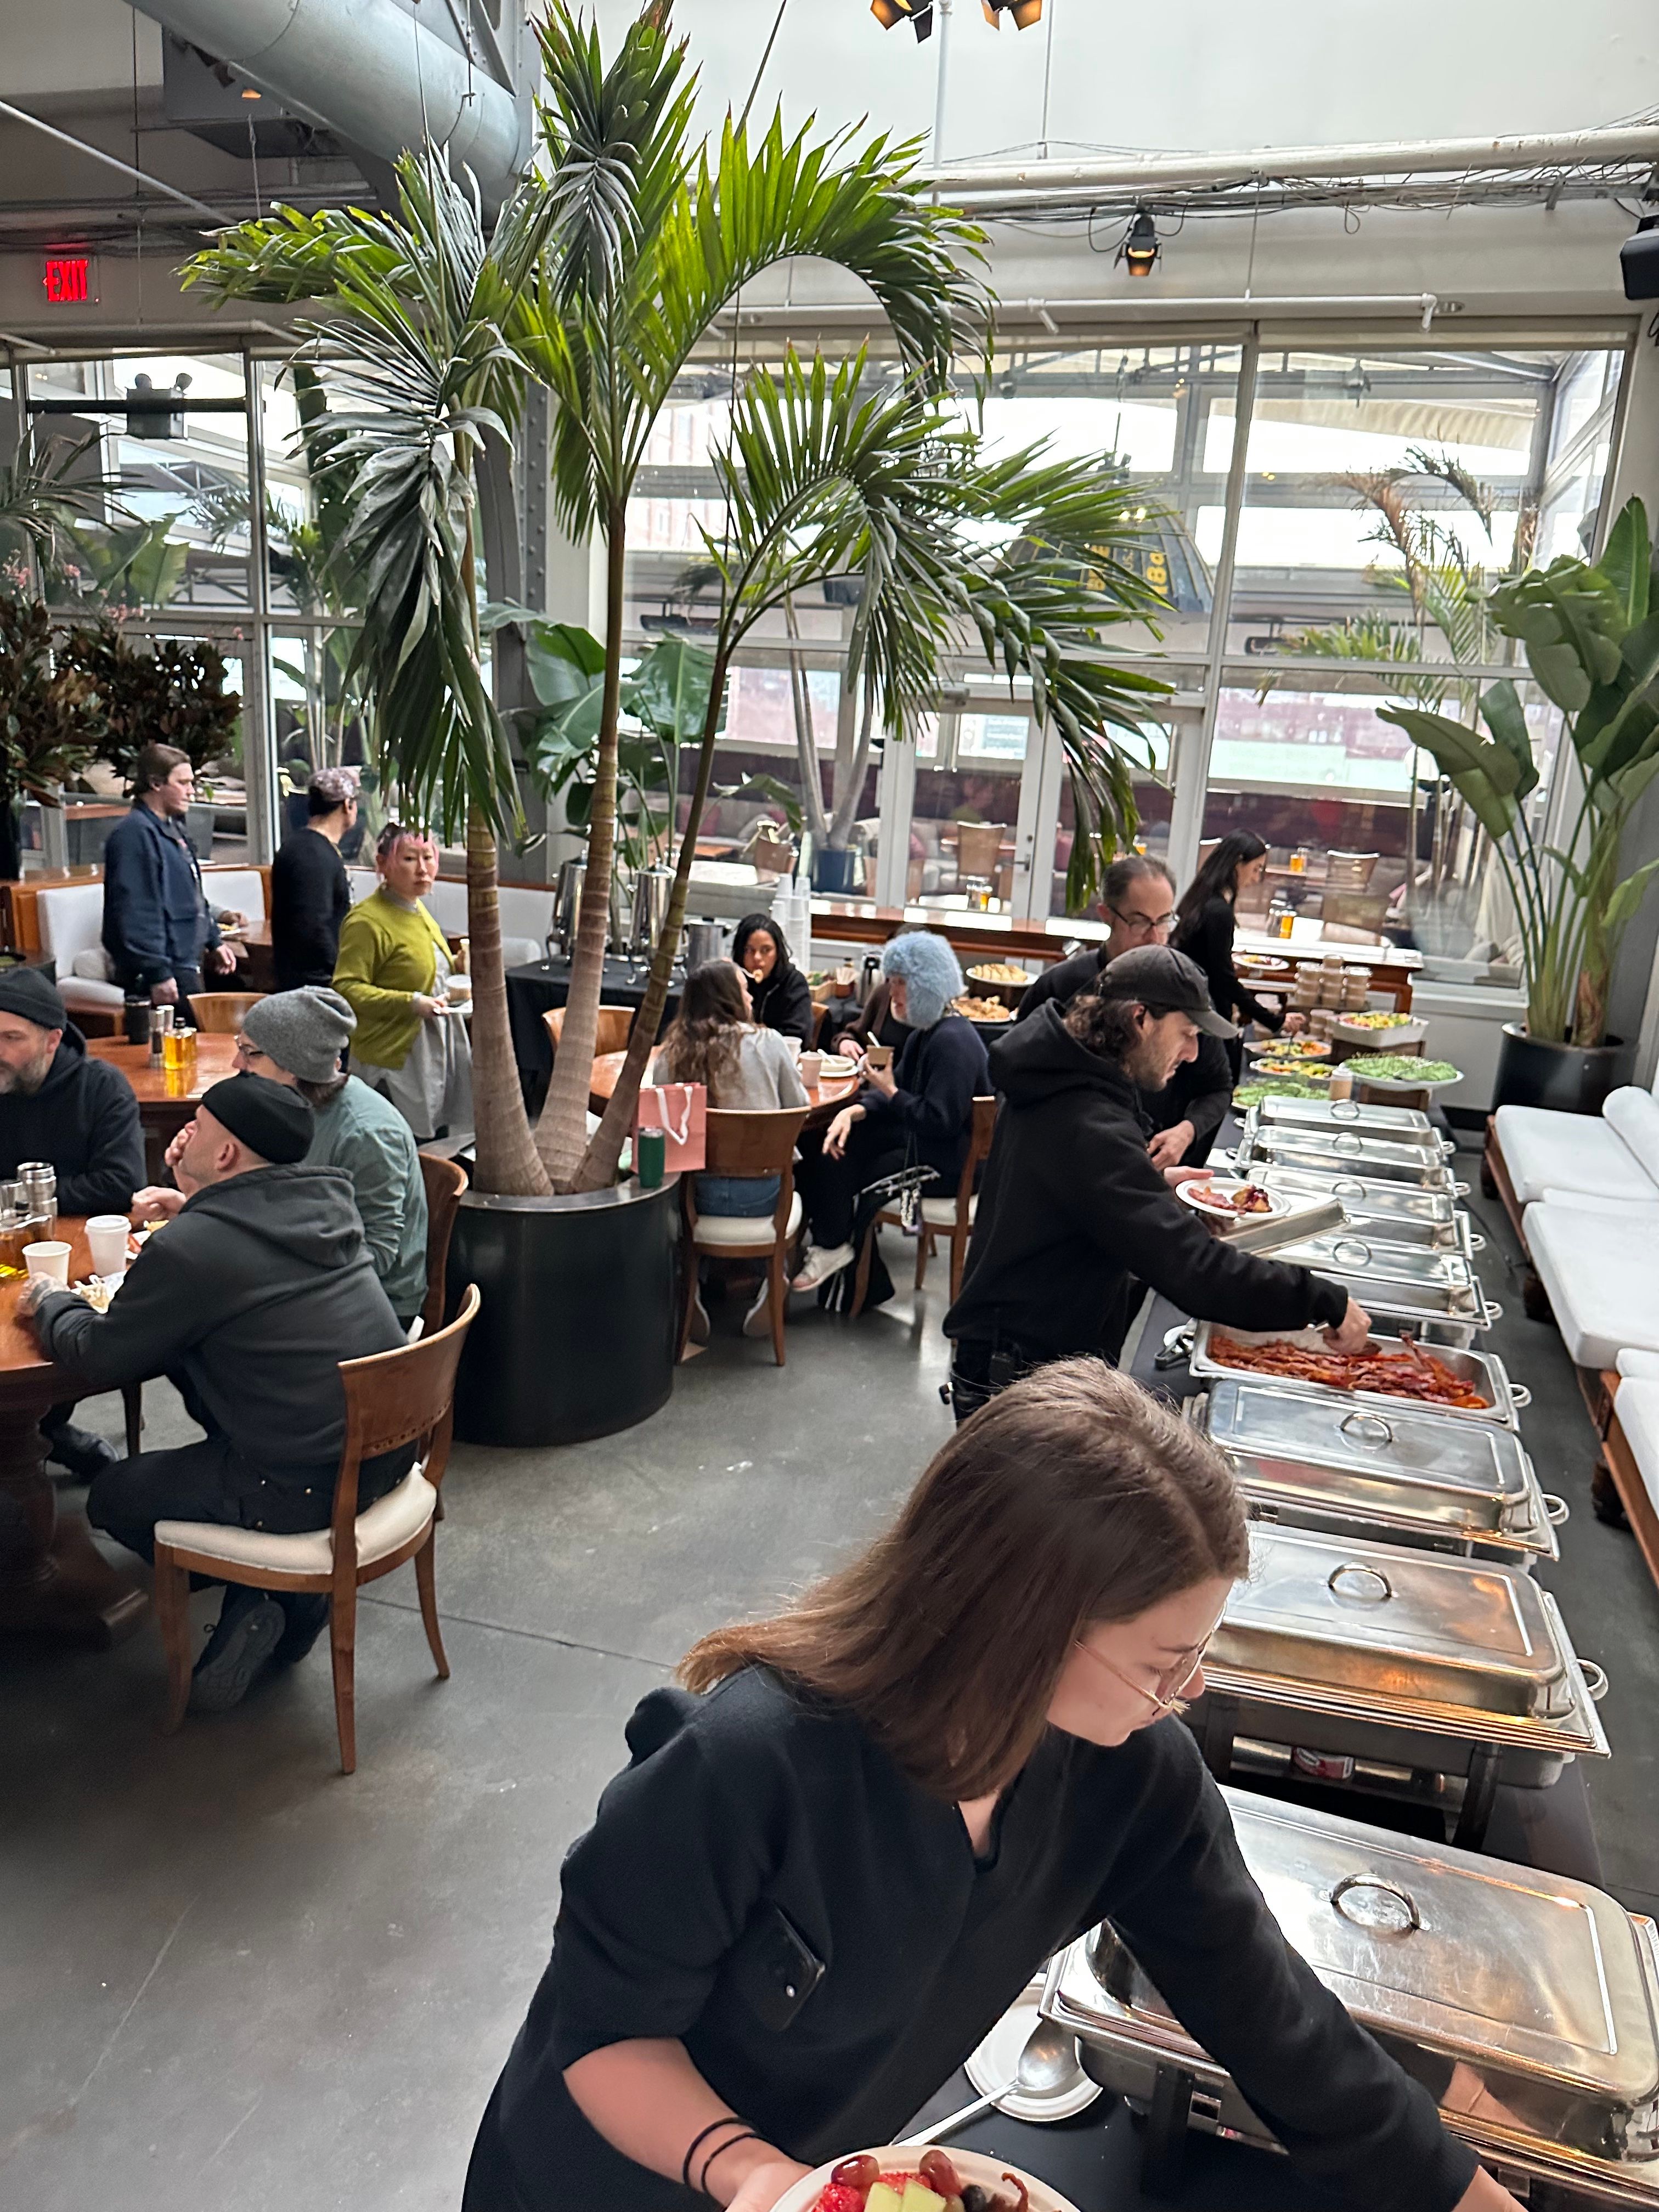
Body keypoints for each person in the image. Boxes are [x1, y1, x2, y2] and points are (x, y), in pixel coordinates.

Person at [462, 1359, 1522, 2212]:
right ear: (1027, 1627)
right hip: (601, 2175)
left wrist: (1461, 2193)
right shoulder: (752, 1761)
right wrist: (755, 2174)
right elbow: (600, 2036)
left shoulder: (1131, 1781)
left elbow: (1277, 2024)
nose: (1187, 1694)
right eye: (1163, 1663)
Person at [24, 1074, 414, 1714]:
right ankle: (272, 1597)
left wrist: (51, 1301)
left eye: (198, 1126)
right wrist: (196, 1205)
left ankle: (280, 1589)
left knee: (115, 1496)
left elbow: (101, 1353)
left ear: (227, 1153)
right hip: (386, 1455)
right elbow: (245, 1252)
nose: (185, 1136)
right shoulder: (329, 1202)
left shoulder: (194, 1252)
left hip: (300, 1484)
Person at [944, 945, 1368, 1419]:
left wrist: (1152, 1187)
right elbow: (1193, 1271)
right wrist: (1320, 1299)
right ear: (1140, 1018)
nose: (1191, 1054)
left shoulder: (1067, 1081)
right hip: (1020, 1375)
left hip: (1029, 1354)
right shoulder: (1087, 1120)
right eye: (1186, 1034)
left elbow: (1067, 1197)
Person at [140, 988, 430, 1331]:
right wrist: (194, 1193)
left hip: (370, 1308)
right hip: (306, 1281)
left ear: (295, 1067)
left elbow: (377, 1256)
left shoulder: (366, 1135)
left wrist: (250, 1252)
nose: (237, 1064)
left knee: (196, 1327)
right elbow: (271, 1204)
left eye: (250, 1053)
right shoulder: (284, 1111)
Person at [0, 967, 145, 1479]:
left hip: (72, 1258)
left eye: (11, 1038)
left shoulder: (100, 1088)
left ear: (52, 1039)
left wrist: (18, 1201)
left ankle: (43, 1428)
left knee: (40, 1340)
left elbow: (120, 1182)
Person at [791, 932, 989, 1302]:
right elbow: (900, 1095)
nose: (893, 991)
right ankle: (834, 1246)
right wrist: (855, 1110)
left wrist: (887, 1091)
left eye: (901, 983)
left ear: (928, 985)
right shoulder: (929, 1032)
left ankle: (837, 1250)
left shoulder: (953, 1042)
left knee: (847, 1165)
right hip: (926, 1146)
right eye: (892, 981)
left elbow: (938, 1120)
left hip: (949, 1167)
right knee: (829, 1145)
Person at [1017, 853, 1232, 1167]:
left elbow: (1219, 1087)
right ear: (1106, 914)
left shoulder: (1184, 986)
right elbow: (1017, 1081)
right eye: (1139, 921)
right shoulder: (1059, 988)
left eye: (1164, 921)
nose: (1155, 937)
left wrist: (1186, 1132)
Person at [650, 960, 809, 1342]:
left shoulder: (672, 1055)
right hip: (763, 1199)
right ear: (727, 998)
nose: (751, 994)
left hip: (696, 1200)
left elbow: (662, 1135)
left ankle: (691, 1281)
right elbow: (798, 1108)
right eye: (743, 988)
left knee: (675, 1182)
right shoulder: (769, 1044)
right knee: (796, 1180)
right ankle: (775, 1280)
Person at [333, 822, 472, 1142]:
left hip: (434, 1047)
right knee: (401, 1145)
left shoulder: (417, 908)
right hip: (394, 1059)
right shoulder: (366, 921)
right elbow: (347, 988)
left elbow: (427, 971)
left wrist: (459, 966)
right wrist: (410, 1003)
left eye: (429, 857)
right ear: (382, 865)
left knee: (437, 1144)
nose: (423, 869)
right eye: (410, 859)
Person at [100, 742, 238, 1017]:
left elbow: (190, 894)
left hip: (186, 962)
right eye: (183, 783)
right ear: (155, 784)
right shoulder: (133, 835)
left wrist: (214, 940)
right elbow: (136, 911)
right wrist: (157, 973)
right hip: (162, 971)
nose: (192, 791)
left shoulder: (173, 829)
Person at [1172, 830, 1299, 1082]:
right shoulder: (1219, 910)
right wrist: (1275, 1020)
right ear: (1237, 863)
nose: (1256, 878)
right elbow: (1223, 980)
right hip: (1206, 1016)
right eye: (1255, 869)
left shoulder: (1202, 899)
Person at [270, 766, 358, 990]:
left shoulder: (298, 846)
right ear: (348, 806)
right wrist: (336, 974)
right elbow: (313, 925)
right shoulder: (314, 856)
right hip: (314, 986)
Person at [729, 913, 815, 1048]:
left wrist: (756, 1033)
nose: (757, 957)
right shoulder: (734, 981)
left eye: (766, 950)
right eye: (749, 950)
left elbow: (799, 1036)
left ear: (778, 952)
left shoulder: (793, 982)